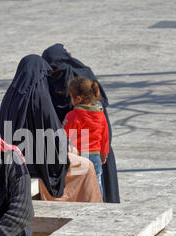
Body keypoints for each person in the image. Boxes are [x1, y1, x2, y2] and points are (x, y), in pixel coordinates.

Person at [0, 54, 102, 202]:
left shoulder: (9, 97)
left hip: (11, 160)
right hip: (38, 163)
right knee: (88, 167)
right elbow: (54, 135)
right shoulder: (39, 96)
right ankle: (94, 211)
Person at [42, 43, 120, 203]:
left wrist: (103, 150)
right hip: (75, 152)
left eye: (56, 70)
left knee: (95, 186)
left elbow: (104, 128)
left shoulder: (83, 80)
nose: (53, 74)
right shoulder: (48, 81)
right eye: (51, 71)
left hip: (88, 148)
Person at [64, 77, 109, 199]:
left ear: (78, 99)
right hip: (95, 156)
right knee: (97, 182)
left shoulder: (73, 116)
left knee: (79, 183)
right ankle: (99, 203)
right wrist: (104, 154)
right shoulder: (100, 114)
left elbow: (66, 136)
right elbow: (105, 136)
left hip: (79, 156)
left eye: (71, 97)